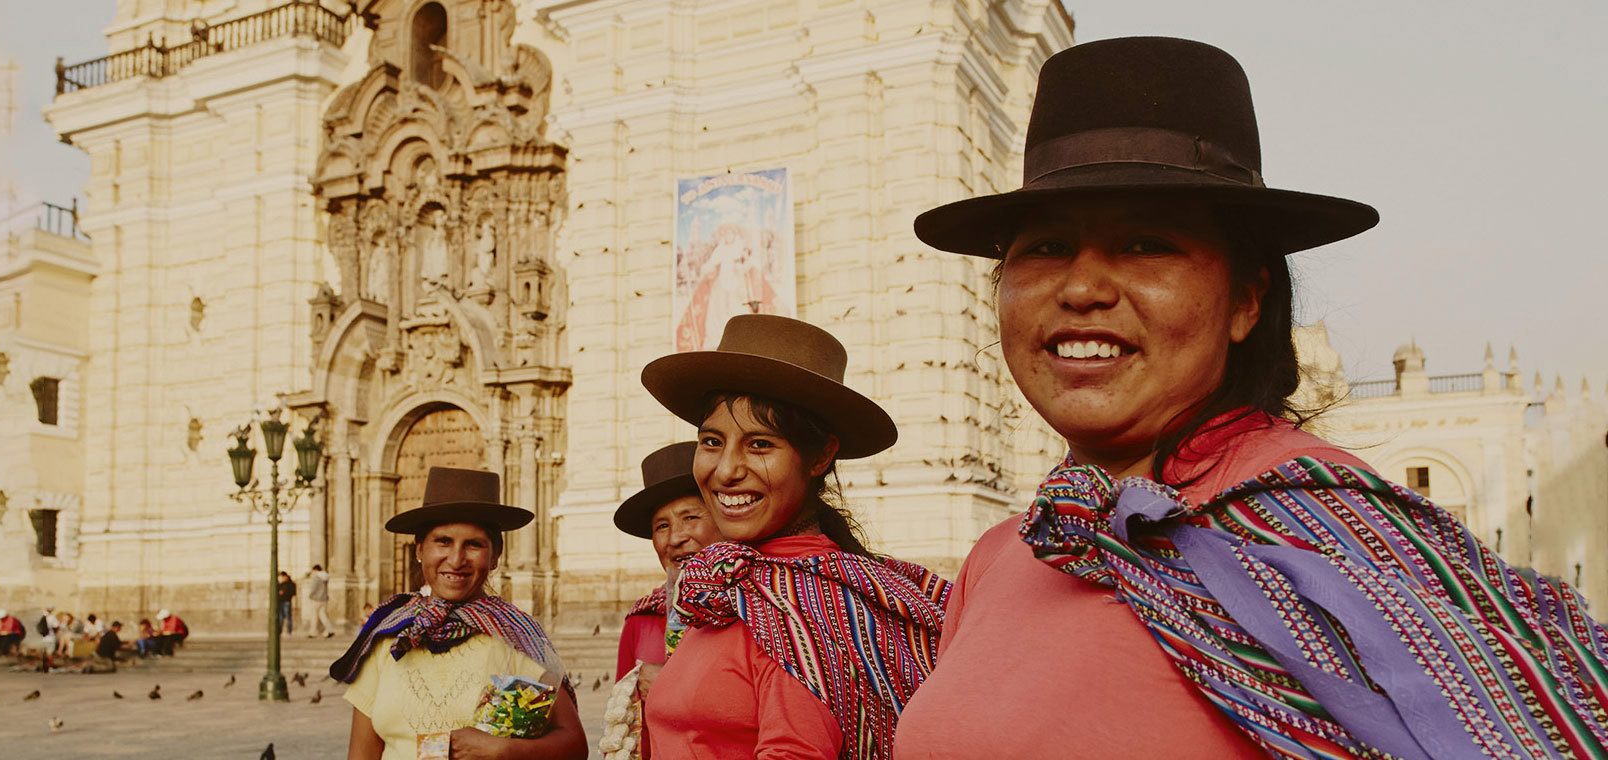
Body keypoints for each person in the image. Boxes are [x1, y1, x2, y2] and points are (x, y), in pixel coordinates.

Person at [897, 36, 1608, 759]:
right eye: (1045, 248)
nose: (1081, 288)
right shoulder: (1005, 554)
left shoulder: (1335, 537)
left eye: (1145, 244)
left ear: (1245, 300)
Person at [638, 314, 949, 759]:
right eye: (711, 442)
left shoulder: (804, 613)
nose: (725, 470)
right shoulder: (728, 589)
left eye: (759, 444)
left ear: (820, 456)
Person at [333, 467, 589, 760]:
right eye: (443, 541)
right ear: (420, 550)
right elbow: (362, 753)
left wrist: (504, 749)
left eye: (473, 545)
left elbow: (574, 745)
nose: (456, 560)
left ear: (495, 556)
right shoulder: (390, 635)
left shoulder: (514, 637)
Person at [611, 441, 720, 683]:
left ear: (724, 521)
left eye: (690, 517)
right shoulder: (641, 620)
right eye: (662, 526)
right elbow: (623, 703)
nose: (675, 538)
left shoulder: (756, 607)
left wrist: (668, 686)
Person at [303, 565, 336, 638]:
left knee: (314, 616)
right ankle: (330, 630)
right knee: (323, 616)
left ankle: (313, 632)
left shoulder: (316, 577)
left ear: (315, 570)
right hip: (324, 599)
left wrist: (310, 595)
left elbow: (314, 588)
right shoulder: (325, 577)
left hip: (316, 599)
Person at [276, 571, 297, 637]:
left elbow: (292, 592)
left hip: (287, 601)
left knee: (288, 617)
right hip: (280, 602)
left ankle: (288, 632)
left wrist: (284, 593)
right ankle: (280, 632)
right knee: (281, 617)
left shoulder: (290, 584)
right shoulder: (280, 584)